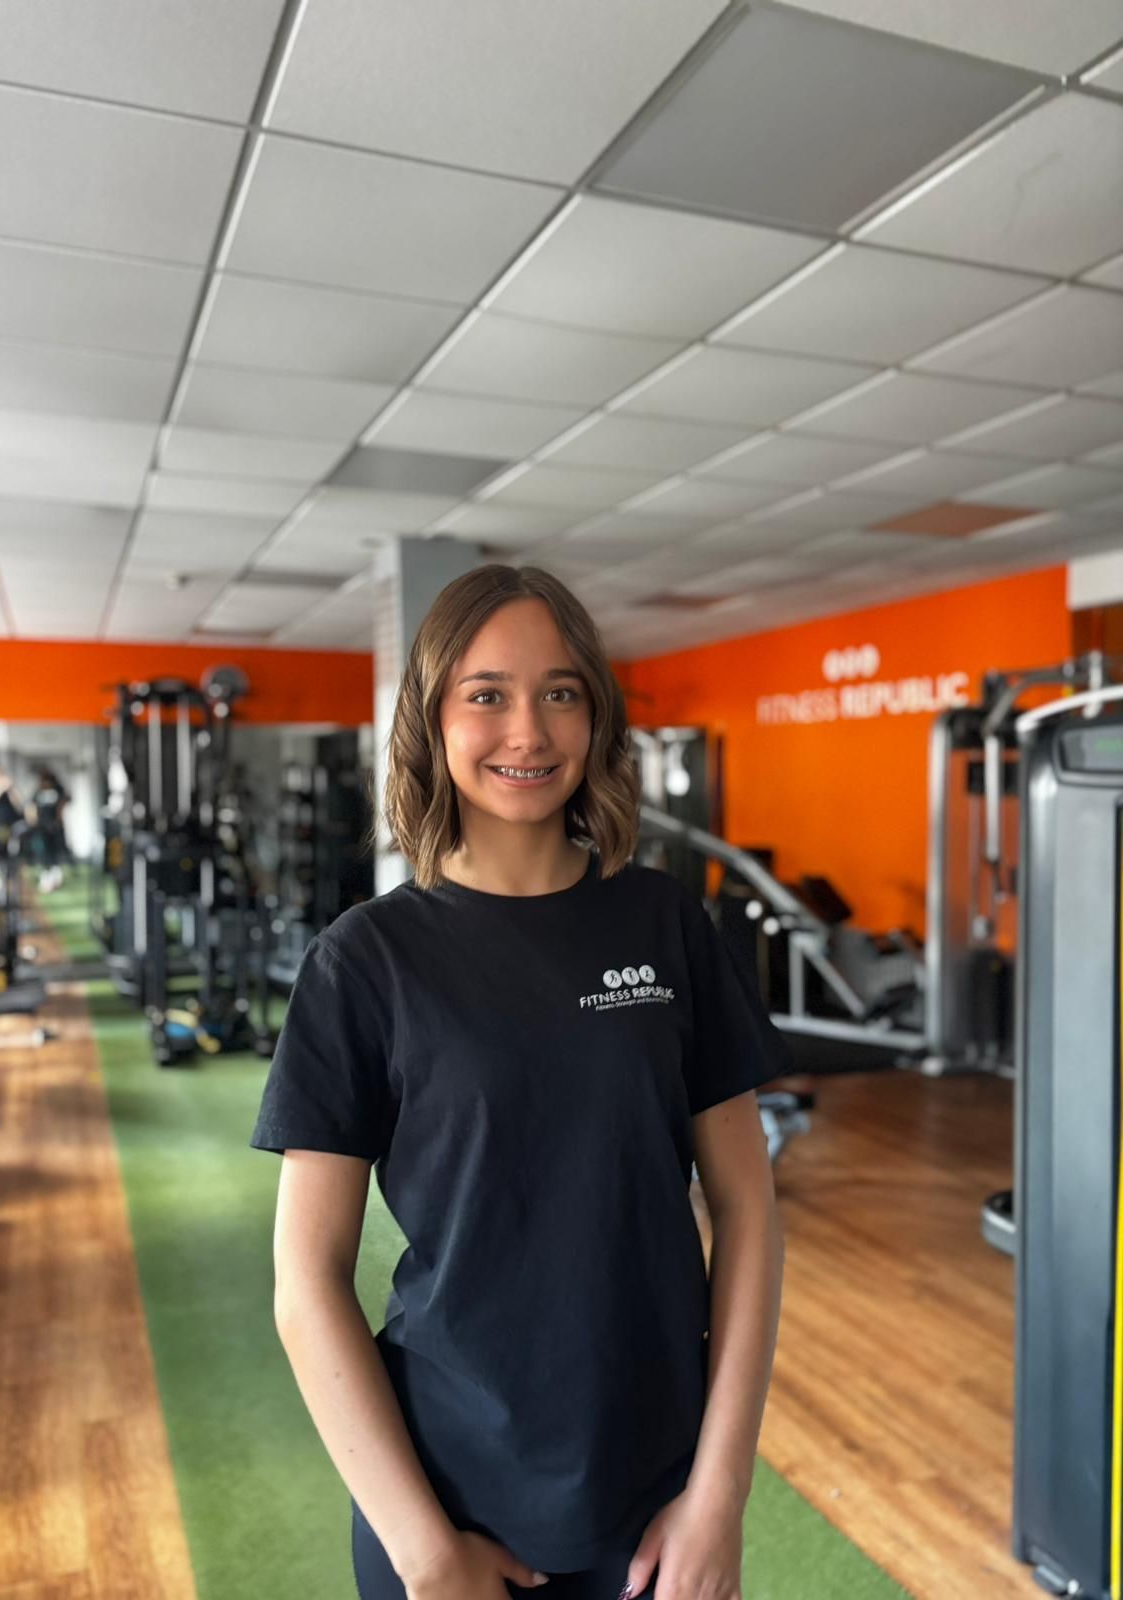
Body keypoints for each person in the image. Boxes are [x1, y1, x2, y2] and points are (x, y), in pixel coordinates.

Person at [250, 566, 790, 1600]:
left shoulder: (665, 924)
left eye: (561, 692)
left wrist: (719, 1494)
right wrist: (424, 1550)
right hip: (446, 1498)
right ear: (432, 720)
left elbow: (747, 1209)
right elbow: (306, 1281)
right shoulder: (364, 962)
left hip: (659, 1499)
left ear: (596, 713)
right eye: (487, 694)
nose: (529, 732)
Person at [27, 766, 69, 892]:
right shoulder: (38, 791)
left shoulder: (58, 790)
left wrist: (59, 819)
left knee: (56, 852)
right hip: (42, 827)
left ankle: (56, 876)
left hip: (55, 826)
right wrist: (33, 821)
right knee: (44, 852)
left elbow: (65, 801)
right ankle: (47, 877)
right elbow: (32, 806)